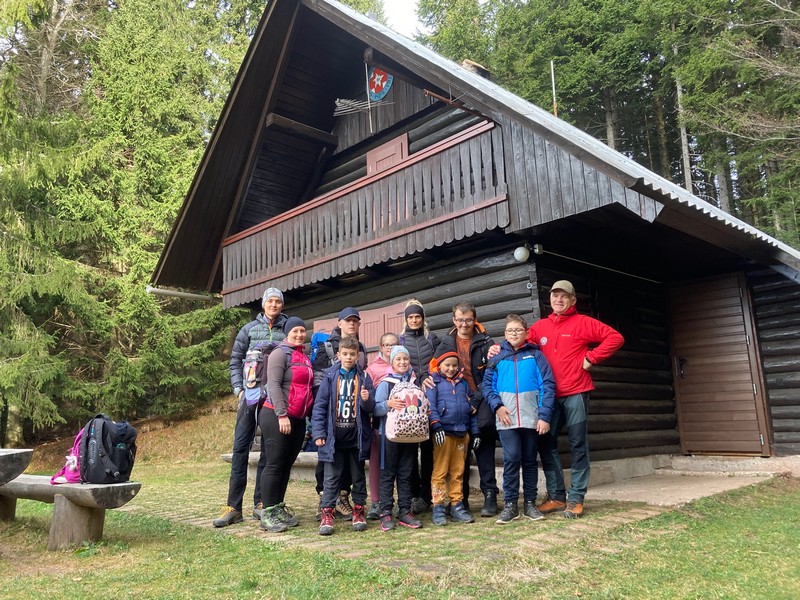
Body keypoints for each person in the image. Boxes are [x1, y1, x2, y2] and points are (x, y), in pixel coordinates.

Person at [528, 280, 624, 519]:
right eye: (555, 296)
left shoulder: (583, 323)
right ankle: (557, 496)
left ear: (572, 300)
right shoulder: (540, 327)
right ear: (550, 299)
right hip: (549, 397)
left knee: (577, 444)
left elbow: (615, 337)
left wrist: (592, 357)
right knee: (545, 444)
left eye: (563, 296)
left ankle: (576, 499)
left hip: (576, 392)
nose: (558, 300)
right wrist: (497, 350)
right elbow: (519, 343)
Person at [214, 287, 287, 528]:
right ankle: (234, 506)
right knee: (240, 449)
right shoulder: (248, 329)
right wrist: (239, 389)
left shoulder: (287, 329)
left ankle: (261, 503)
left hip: (273, 400)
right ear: (264, 304)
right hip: (249, 397)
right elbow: (235, 360)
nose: (274, 305)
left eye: (278, 302)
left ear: (282, 305)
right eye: (270, 301)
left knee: (268, 449)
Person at [483, 314, 555, 524]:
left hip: (532, 418)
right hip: (507, 419)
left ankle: (530, 503)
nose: (514, 333)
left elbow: (547, 385)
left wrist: (544, 416)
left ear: (525, 332)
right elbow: (488, 386)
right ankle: (510, 504)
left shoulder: (536, 356)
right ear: (505, 334)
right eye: (510, 330)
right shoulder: (497, 358)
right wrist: (497, 407)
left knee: (530, 460)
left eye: (518, 330)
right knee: (511, 459)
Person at [435, 301, 498, 516]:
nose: (464, 324)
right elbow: (434, 368)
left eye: (468, 319)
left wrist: (476, 400)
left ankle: (490, 494)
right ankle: (458, 501)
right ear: (454, 320)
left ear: (475, 319)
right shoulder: (446, 342)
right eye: (460, 320)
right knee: (459, 446)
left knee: (484, 435)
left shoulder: (486, 342)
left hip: (481, 397)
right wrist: (426, 379)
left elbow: (492, 373)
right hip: (456, 399)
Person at [312, 337, 374, 535]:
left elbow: (369, 408)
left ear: (358, 356)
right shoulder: (330, 377)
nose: (348, 357)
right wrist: (319, 432)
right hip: (334, 439)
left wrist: (366, 400)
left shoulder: (364, 378)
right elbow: (320, 406)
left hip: (355, 438)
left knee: (358, 477)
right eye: (345, 354)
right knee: (331, 478)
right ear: (338, 355)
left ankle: (358, 510)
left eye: (352, 354)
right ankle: (327, 513)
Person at [258, 317, 315, 532]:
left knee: (285, 464)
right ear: (287, 333)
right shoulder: (279, 353)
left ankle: (278, 507)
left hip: (298, 418)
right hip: (276, 415)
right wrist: (282, 415)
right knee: (274, 463)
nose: (300, 334)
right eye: (295, 331)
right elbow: (273, 385)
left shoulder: (303, 356)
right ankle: (267, 513)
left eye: (302, 331)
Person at [373, 345, 424, 531]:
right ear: (392, 362)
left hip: (410, 435)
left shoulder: (414, 382)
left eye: (405, 359)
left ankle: (404, 510)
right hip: (390, 436)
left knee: (406, 474)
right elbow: (375, 408)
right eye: (398, 360)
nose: (402, 362)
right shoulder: (385, 383)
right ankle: (385, 512)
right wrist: (388, 403)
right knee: (388, 474)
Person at [427, 350, 479, 526]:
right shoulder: (433, 382)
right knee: (440, 471)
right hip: (444, 433)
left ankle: (457, 504)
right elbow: (430, 406)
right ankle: (438, 506)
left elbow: (471, 410)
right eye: (447, 365)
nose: (451, 368)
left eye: (454, 365)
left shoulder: (463, 384)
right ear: (439, 365)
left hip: (462, 433)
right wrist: (436, 425)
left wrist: (475, 432)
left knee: (458, 471)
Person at [398, 299, 440, 515]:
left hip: (430, 397)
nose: (414, 320)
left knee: (428, 449)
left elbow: (441, 361)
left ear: (423, 319)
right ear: (406, 320)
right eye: (410, 317)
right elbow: (396, 364)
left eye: (417, 317)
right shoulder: (400, 340)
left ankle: (428, 493)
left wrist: (429, 376)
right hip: (409, 399)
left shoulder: (431, 338)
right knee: (411, 447)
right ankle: (413, 494)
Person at [364, 332, 399, 520]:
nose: (390, 348)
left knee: (398, 464)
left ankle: (399, 501)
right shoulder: (373, 368)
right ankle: (377, 502)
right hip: (380, 423)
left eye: (394, 344)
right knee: (377, 463)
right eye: (387, 345)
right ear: (381, 348)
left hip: (401, 426)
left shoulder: (403, 364)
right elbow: (369, 396)